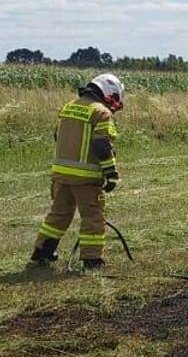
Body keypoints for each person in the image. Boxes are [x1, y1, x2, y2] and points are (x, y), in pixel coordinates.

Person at [29, 73, 124, 271]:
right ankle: (92, 260)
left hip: (61, 176)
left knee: (58, 215)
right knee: (93, 218)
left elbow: (57, 136)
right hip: (86, 179)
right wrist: (111, 172)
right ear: (108, 93)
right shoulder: (101, 113)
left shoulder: (67, 107)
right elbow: (101, 146)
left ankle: (41, 252)